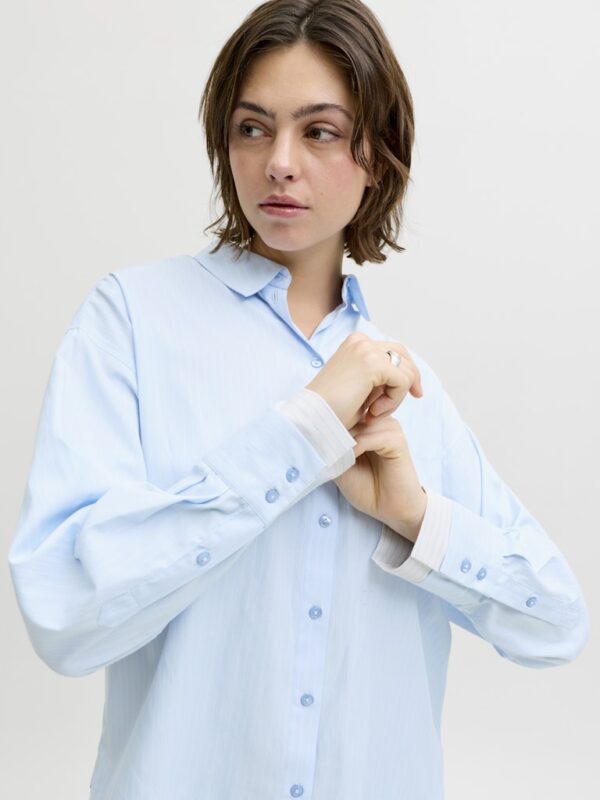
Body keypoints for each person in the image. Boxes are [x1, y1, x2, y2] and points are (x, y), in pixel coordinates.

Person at [8, 1, 588, 798]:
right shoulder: (131, 322)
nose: (279, 163)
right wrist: (303, 432)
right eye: (253, 128)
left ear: (378, 154)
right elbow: (65, 613)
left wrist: (417, 519)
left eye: (320, 131)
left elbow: (555, 622)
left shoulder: (407, 389)